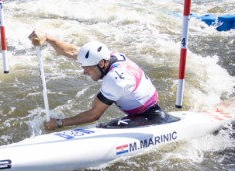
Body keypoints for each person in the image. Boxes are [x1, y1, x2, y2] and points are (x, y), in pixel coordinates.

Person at [28, 29, 174, 130]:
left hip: (149, 117)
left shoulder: (115, 79)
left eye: (88, 68)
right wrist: (47, 37)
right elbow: (72, 51)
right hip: (143, 107)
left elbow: (94, 115)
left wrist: (59, 123)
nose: (84, 72)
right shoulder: (107, 56)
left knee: (104, 128)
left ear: (102, 64)